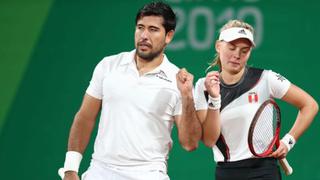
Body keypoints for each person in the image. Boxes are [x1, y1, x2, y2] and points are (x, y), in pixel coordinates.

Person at [58, 2, 202, 180]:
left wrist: (187, 95)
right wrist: (70, 168)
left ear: (169, 36)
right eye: (140, 28)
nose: (144, 36)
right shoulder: (108, 66)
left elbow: (190, 143)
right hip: (101, 170)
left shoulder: (178, 80)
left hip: (149, 173)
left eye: (153, 30)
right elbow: (85, 117)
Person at [194, 19, 318, 180]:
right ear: (218, 46)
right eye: (231, 48)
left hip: (264, 170)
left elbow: (310, 105)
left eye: (244, 51)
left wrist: (288, 141)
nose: (237, 55)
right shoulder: (202, 86)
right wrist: (214, 98)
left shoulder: (266, 78)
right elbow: (210, 140)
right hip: (227, 172)